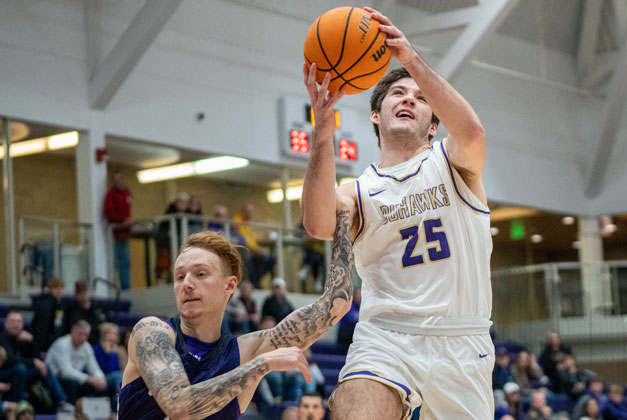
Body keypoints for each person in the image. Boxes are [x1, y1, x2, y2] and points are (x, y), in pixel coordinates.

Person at [301, 7, 493, 419]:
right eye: (397, 94)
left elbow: (473, 132)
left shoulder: (454, 163)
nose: (409, 97)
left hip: (461, 341)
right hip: (385, 336)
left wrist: (409, 59)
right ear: (376, 114)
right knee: (355, 407)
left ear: (433, 126)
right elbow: (317, 223)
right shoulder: (357, 191)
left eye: (421, 99)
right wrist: (322, 130)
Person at [117, 211, 354, 420]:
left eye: (200, 274)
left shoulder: (246, 351)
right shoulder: (152, 332)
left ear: (229, 286)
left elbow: (336, 304)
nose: (186, 284)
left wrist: (343, 217)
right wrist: (261, 365)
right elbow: (179, 407)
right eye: (180, 277)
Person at [0, 311, 68, 409]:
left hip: (22, 376)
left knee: (42, 368)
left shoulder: (25, 339)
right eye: (12, 321)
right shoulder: (2, 339)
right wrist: (32, 361)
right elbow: (9, 359)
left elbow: (38, 358)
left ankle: (61, 401)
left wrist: (31, 341)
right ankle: (17, 406)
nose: (16, 324)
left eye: (18, 322)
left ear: (22, 325)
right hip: (6, 375)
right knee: (20, 368)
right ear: (6, 323)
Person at [44, 321, 107, 403]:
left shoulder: (86, 347)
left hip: (76, 378)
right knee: (72, 383)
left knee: (100, 386)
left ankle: (98, 412)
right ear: (72, 332)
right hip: (54, 379)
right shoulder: (62, 344)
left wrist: (101, 379)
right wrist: (90, 379)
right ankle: (69, 409)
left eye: (86, 335)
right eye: (80, 334)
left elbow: (94, 368)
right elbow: (66, 372)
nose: (83, 338)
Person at [103, 170, 132, 290]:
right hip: (115, 234)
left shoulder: (127, 193)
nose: (118, 182)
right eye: (115, 180)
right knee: (116, 263)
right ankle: (115, 288)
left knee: (125, 263)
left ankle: (126, 288)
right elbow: (109, 214)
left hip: (125, 234)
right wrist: (122, 221)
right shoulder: (110, 195)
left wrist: (127, 223)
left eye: (120, 179)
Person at [63, 280, 106, 344]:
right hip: (80, 343)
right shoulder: (71, 311)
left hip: (99, 343)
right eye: (79, 292)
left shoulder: (99, 308)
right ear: (75, 295)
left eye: (85, 291)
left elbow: (106, 326)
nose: (83, 294)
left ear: (89, 292)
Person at [30, 278, 65, 352]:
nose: (59, 290)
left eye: (61, 288)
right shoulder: (46, 305)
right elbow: (42, 328)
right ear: (50, 290)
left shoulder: (59, 305)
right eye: (56, 288)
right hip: (47, 345)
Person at [92, 323, 125, 397]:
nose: (115, 336)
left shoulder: (118, 349)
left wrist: (121, 354)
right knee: (118, 375)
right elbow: (106, 368)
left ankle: (121, 397)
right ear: (105, 334)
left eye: (116, 334)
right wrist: (108, 354)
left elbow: (124, 368)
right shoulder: (96, 349)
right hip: (100, 378)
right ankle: (121, 398)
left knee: (120, 376)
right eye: (112, 333)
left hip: (115, 378)